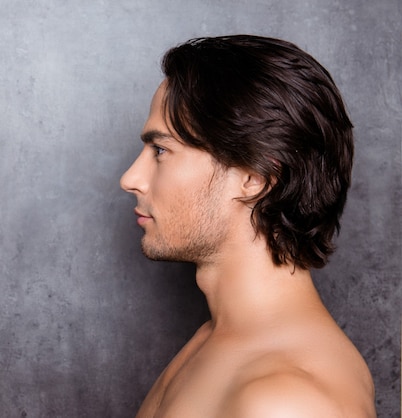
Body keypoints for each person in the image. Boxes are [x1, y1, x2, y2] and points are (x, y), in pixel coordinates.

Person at [120, 35, 376, 418]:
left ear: (254, 178)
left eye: (161, 151)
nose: (130, 178)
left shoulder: (287, 403)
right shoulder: (216, 340)